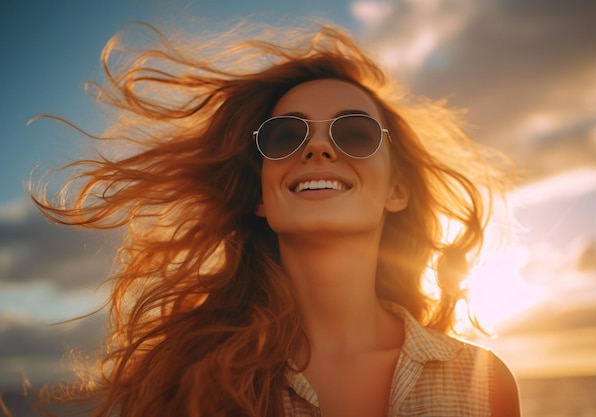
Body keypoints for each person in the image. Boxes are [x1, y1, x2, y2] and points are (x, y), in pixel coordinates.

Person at [30, 22, 520, 417]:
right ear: (261, 197)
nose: (319, 146)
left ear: (396, 190)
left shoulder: (481, 385)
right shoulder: (190, 380)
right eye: (286, 136)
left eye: (355, 132)